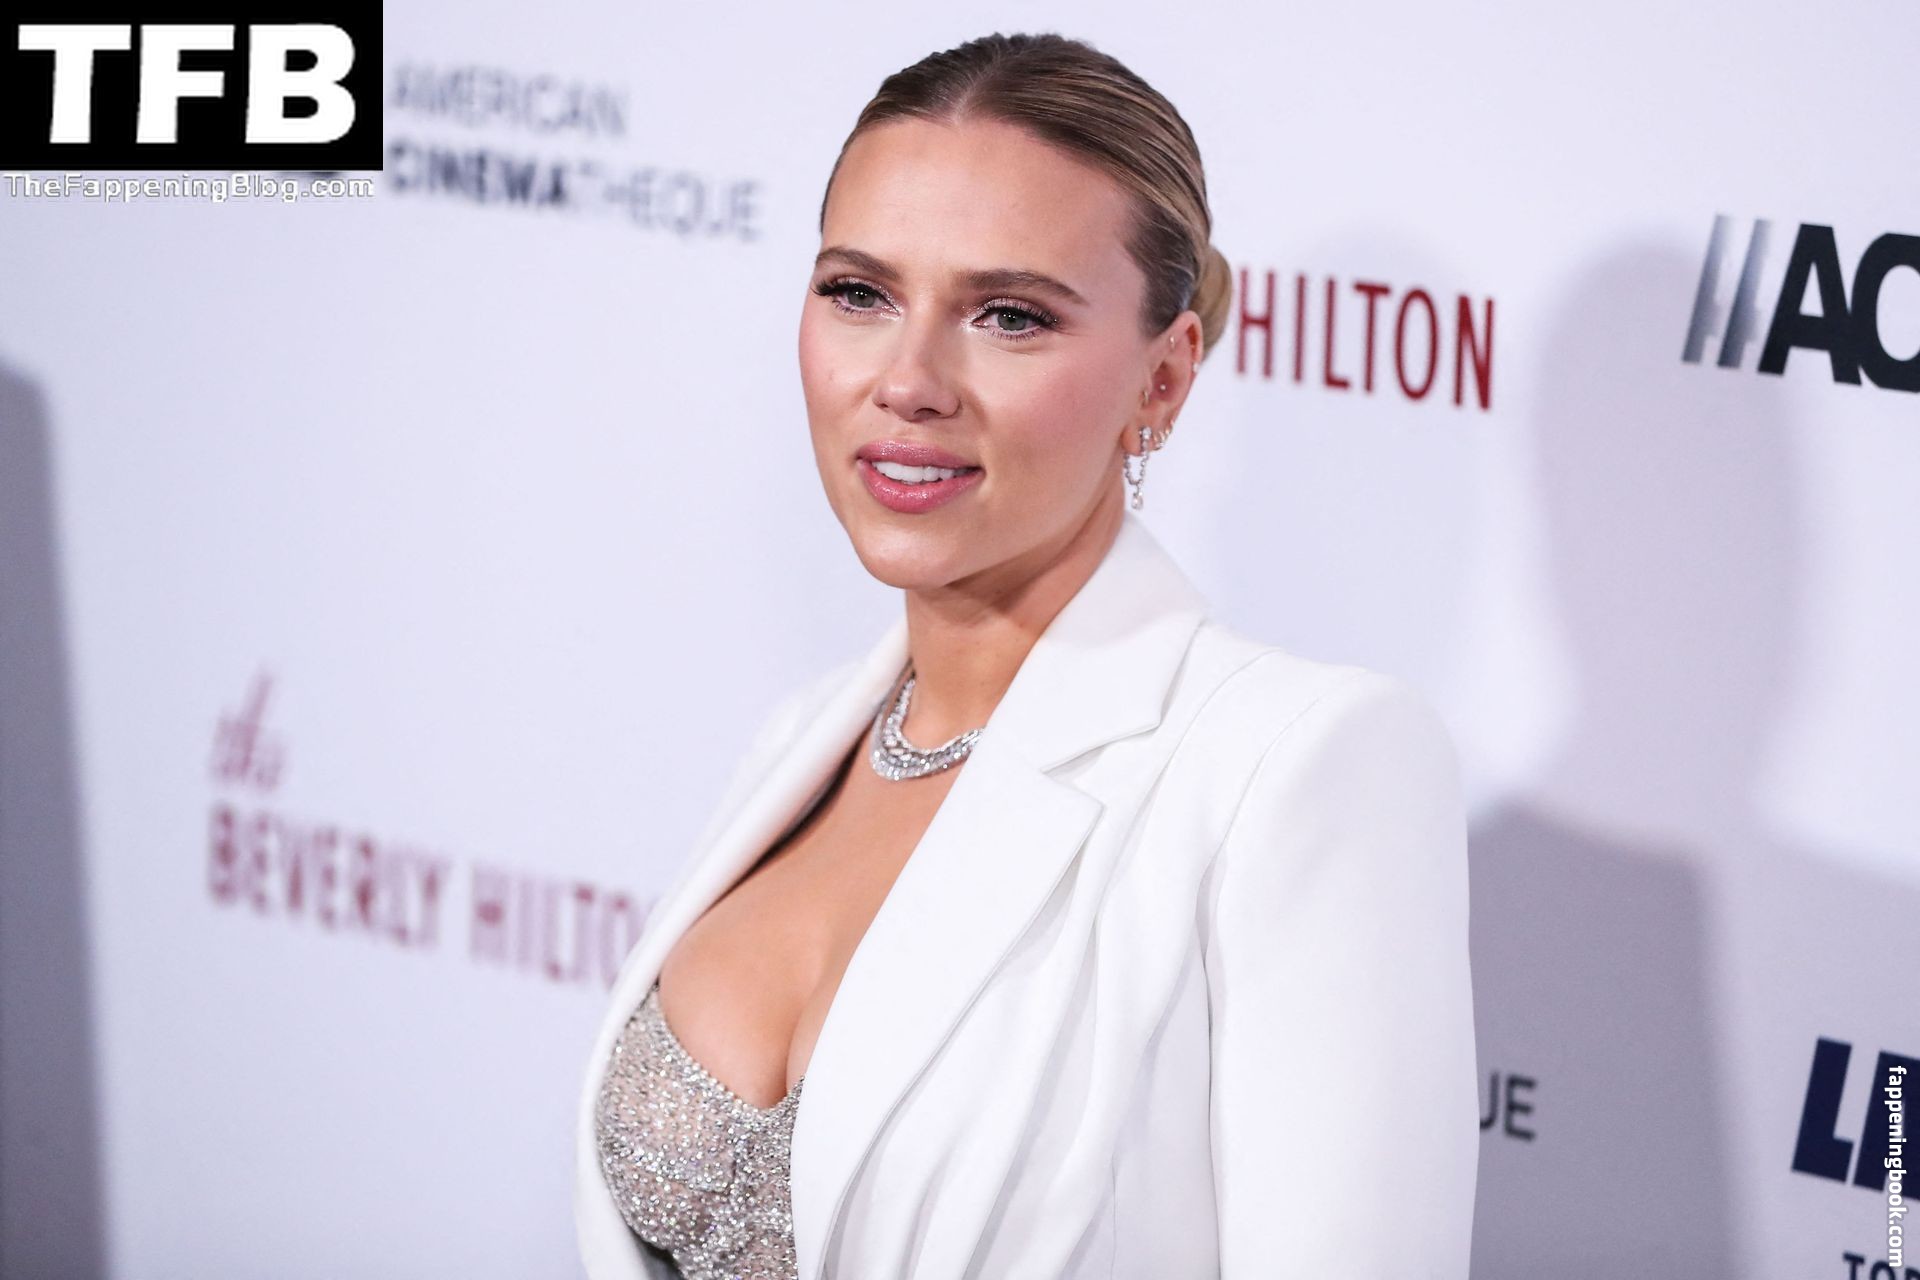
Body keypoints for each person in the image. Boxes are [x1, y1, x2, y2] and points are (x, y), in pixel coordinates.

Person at [575, 31, 1478, 1280]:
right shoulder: (799, 742)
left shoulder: (1293, 769)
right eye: (860, 293)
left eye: (1009, 316)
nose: (908, 381)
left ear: (1164, 378)